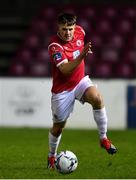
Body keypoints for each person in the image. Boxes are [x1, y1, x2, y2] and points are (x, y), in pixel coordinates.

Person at [47, 12, 117, 169]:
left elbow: (80, 46)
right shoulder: (54, 46)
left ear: (75, 26)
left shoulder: (80, 31)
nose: (68, 32)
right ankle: (51, 156)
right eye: (64, 29)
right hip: (62, 91)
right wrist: (82, 55)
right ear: (58, 27)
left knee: (97, 98)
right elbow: (65, 70)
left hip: (80, 81)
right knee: (58, 128)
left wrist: (83, 52)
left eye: (70, 28)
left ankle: (103, 138)